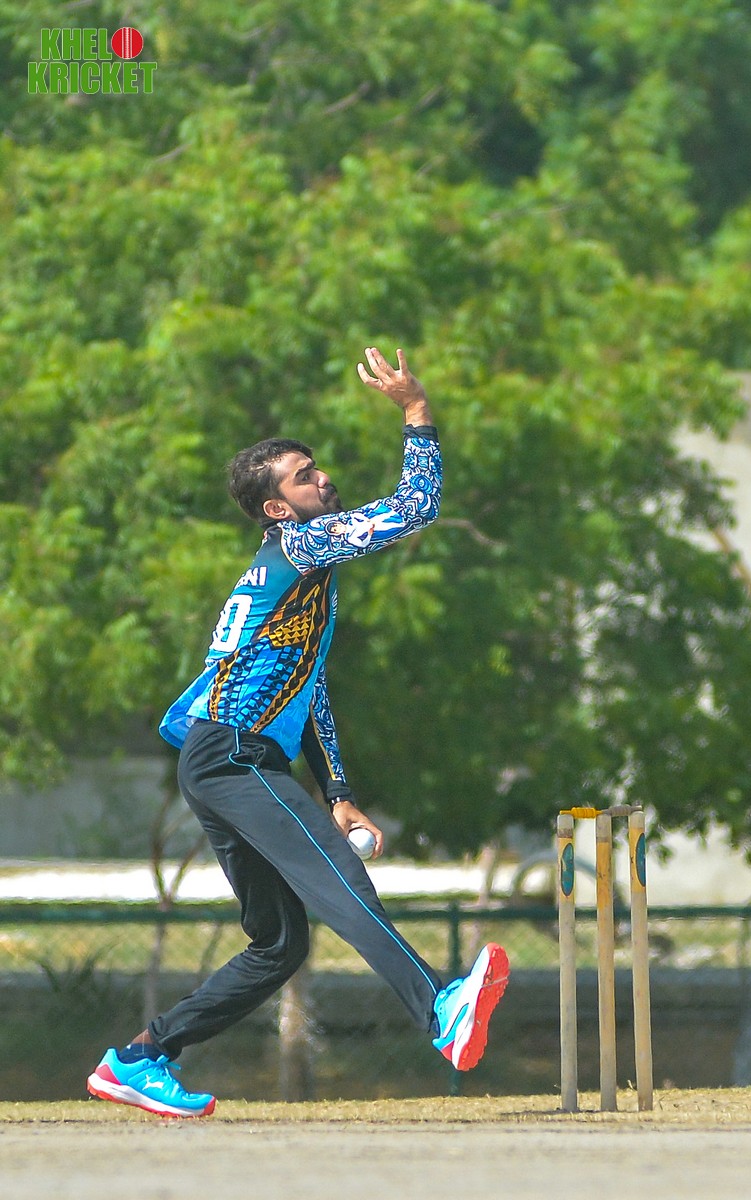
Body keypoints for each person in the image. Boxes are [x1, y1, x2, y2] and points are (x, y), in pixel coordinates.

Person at [87, 347, 509, 1117]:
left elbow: (306, 689)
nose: (323, 479)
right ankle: (440, 1010)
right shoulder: (302, 544)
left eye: (315, 468)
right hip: (234, 758)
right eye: (303, 477)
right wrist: (417, 412)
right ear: (278, 508)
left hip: (220, 758)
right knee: (337, 880)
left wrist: (338, 790)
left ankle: (139, 1058)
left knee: (279, 945)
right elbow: (415, 507)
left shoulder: (292, 574)